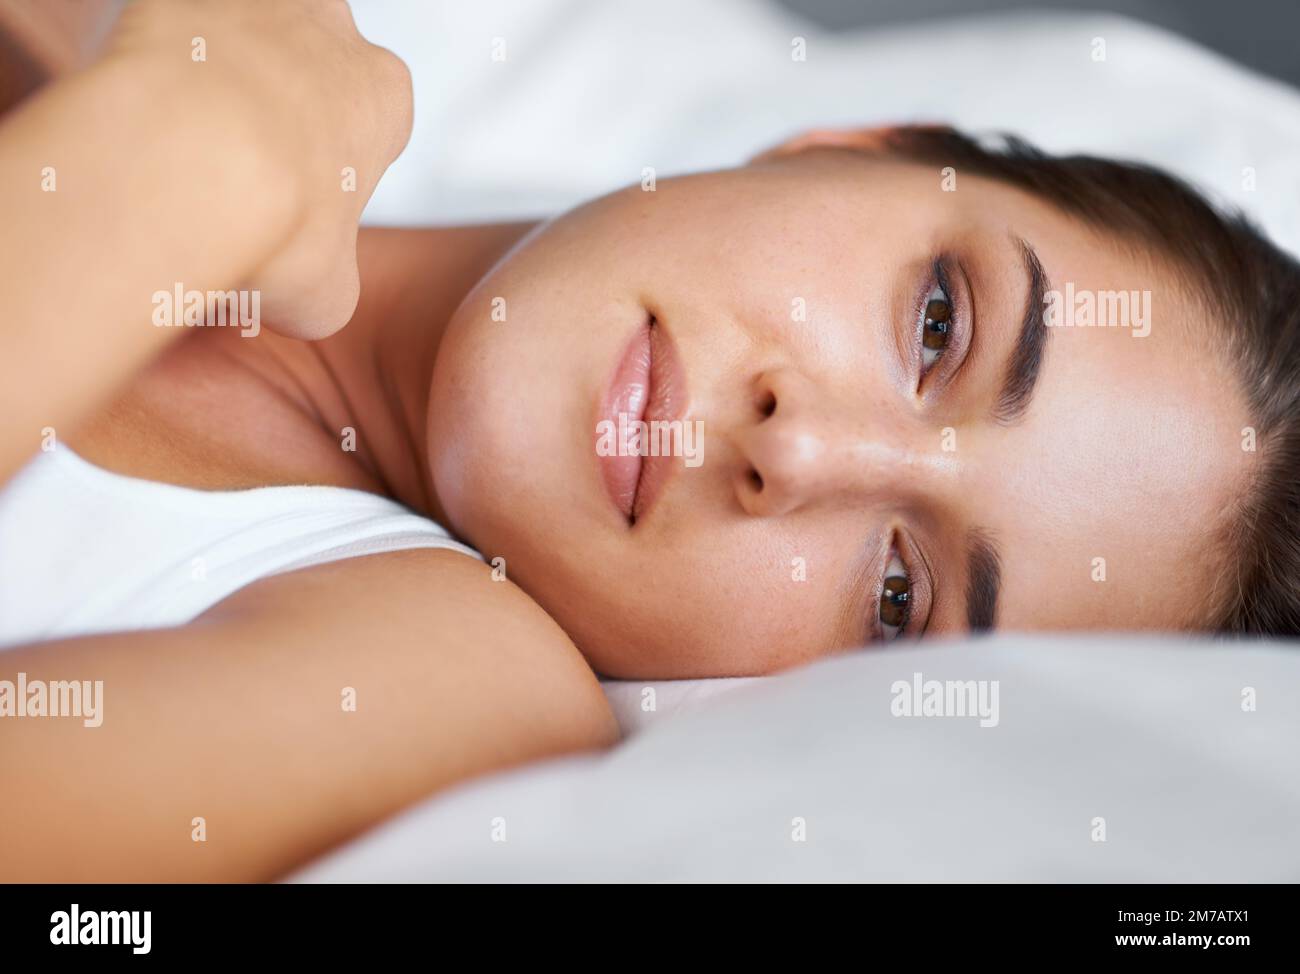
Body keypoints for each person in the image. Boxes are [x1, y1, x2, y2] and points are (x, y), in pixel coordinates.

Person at [1, 0, 1297, 881]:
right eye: (941, 324)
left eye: (901, 593)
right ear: (845, 147)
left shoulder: (445, 689)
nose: (798, 454)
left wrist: (196, 157)